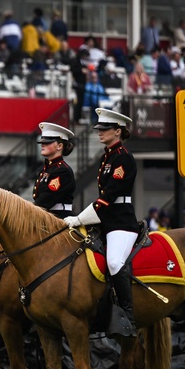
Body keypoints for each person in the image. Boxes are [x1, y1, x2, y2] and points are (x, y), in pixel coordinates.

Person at [63, 108, 138, 338]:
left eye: (105, 129)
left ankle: (128, 315)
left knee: (115, 262)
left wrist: (79, 218)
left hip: (121, 221)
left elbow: (110, 196)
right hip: (106, 220)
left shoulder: (123, 157)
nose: (100, 132)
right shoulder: (107, 157)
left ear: (118, 131)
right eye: (99, 129)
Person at [32, 122, 75, 219]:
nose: (42, 145)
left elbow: (46, 201)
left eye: (47, 142)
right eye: (42, 142)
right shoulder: (47, 169)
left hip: (59, 220)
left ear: (59, 146)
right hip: (47, 218)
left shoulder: (63, 171)